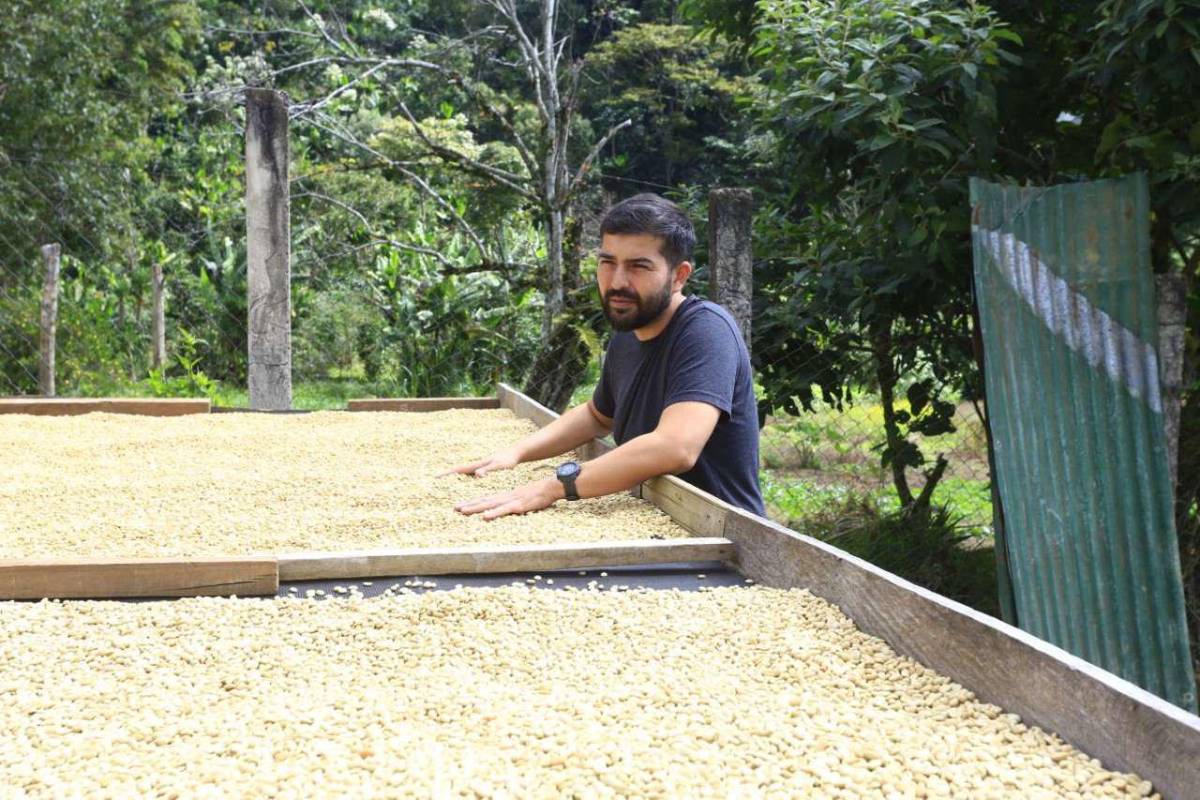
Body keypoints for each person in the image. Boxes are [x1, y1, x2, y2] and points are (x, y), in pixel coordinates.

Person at [445, 193, 764, 520]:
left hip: (720, 533)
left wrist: (553, 486)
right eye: (608, 263)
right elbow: (598, 416)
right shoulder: (628, 333)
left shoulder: (706, 330)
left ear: (679, 275)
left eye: (639, 266)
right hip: (649, 516)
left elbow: (676, 447)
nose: (617, 282)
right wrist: (516, 452)